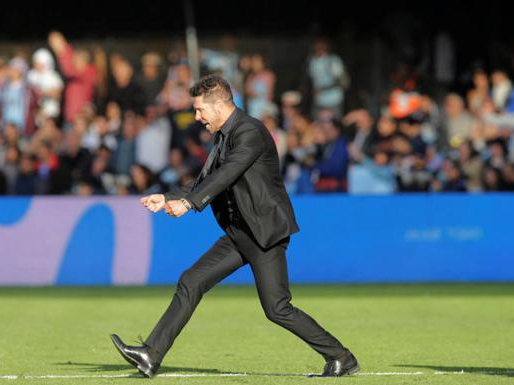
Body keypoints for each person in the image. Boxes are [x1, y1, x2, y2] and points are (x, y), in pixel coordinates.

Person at [110, 75, 358, 378]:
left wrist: (188, 204)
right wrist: (167, 197)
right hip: (240, 233)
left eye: (200, 110)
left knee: (277, 309)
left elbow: (226, 174)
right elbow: (204, 180)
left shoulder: (250, 132)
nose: (197, 117)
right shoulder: (224, 135)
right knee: (191, 280)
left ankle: (341, 357)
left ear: (219, 106)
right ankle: (151, 354)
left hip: (265, 234)